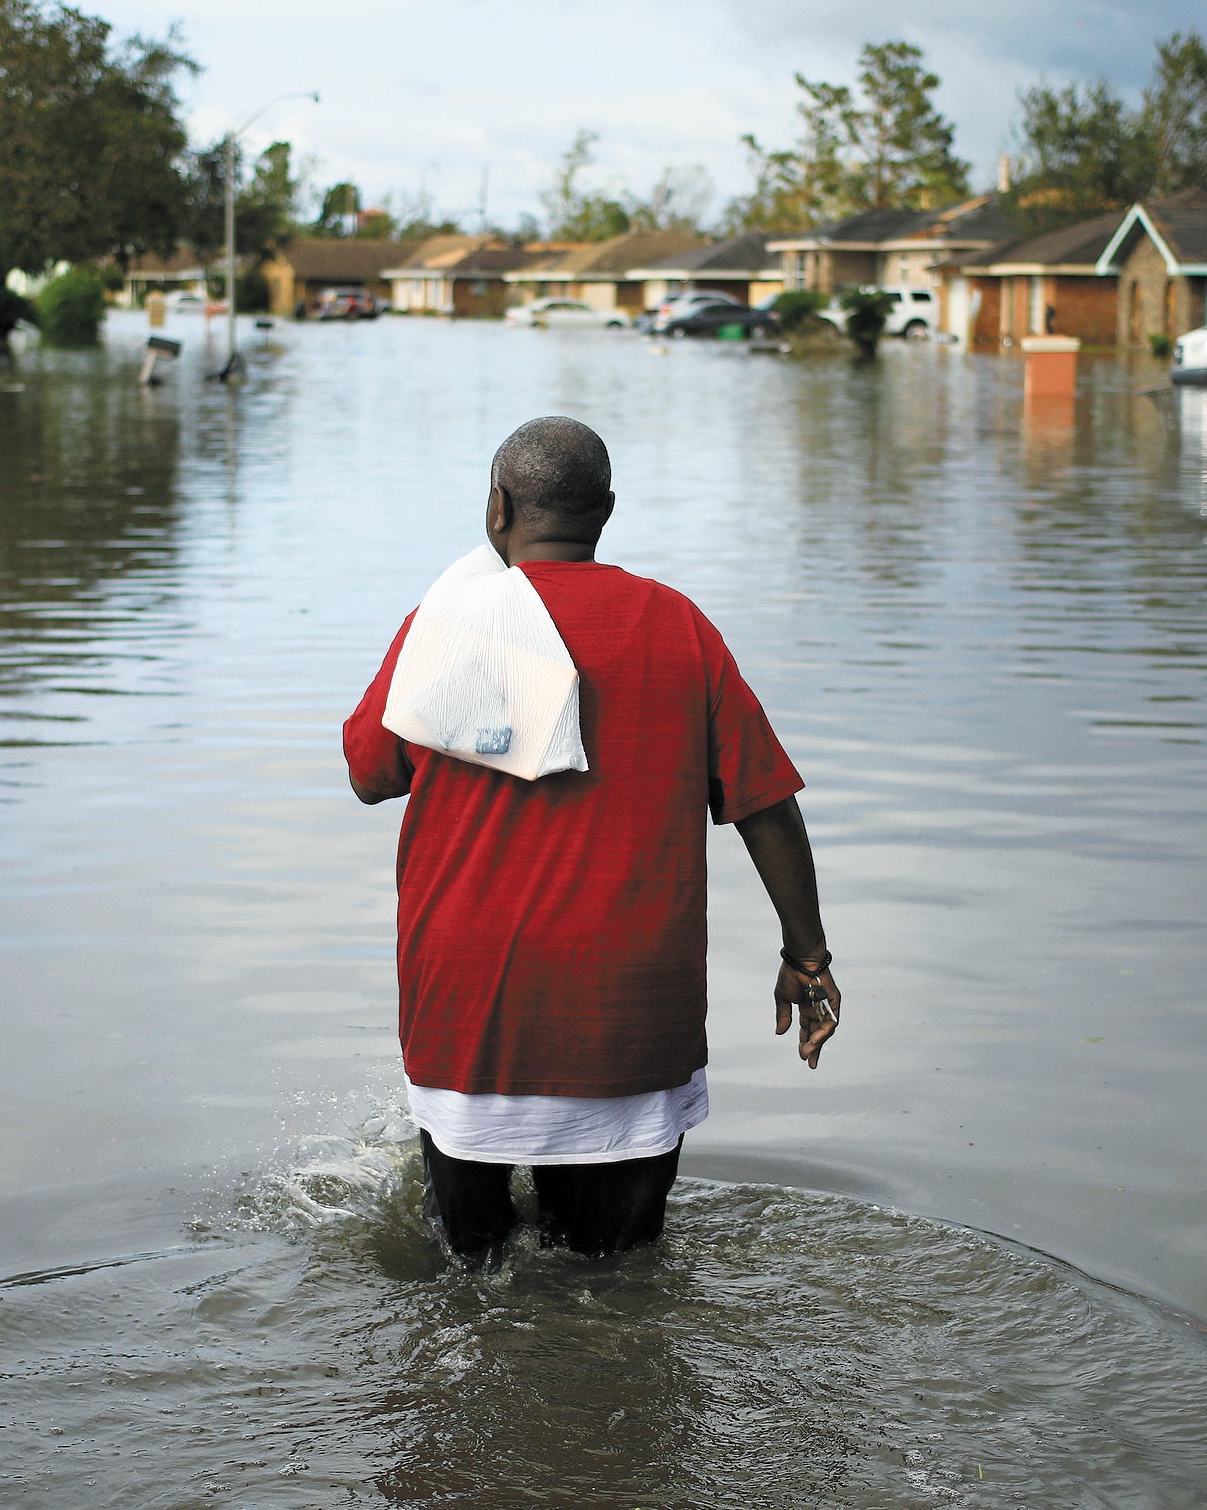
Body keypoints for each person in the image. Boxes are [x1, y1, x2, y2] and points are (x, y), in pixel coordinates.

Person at [343, 416, 838, 1266]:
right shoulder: (677, 625)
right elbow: (767, 804)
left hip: (471, 1007)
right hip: (628, 1011)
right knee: (616, 1275)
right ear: (606, 511)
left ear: (497, 508)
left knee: (471, 1279)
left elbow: (369, 771)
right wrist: (808, 955)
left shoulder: (450, 624)